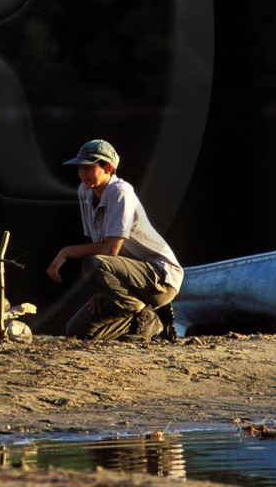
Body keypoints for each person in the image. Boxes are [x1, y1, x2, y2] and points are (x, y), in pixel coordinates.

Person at [46, 139, 183, 341]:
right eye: (79, 168)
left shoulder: (120, 192)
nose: (81, 173)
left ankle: (145, 316)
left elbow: (109, 251)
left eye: (88, 167)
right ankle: (148, 324)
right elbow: (106, 251)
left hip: (160, 278)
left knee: (94, 262)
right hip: (129, 280)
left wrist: (66, 252)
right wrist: (105, 289)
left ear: (108, 167)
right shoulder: (85, 191)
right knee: (78, 330)